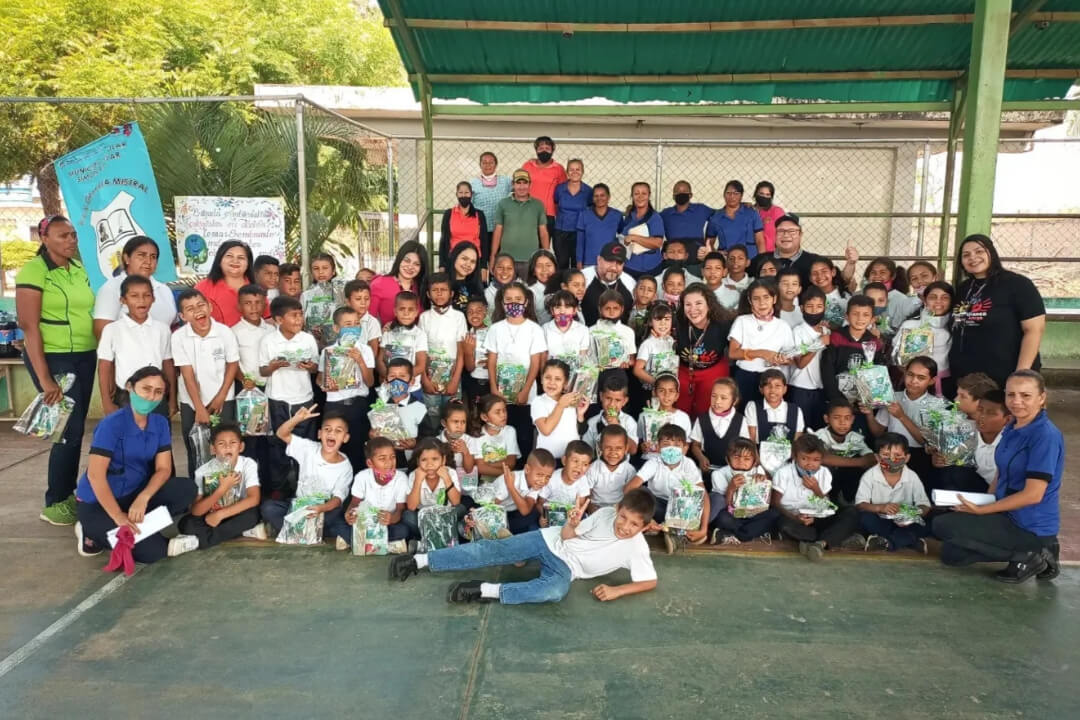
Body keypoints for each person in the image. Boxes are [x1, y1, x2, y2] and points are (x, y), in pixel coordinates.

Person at [388, 489, 658, 606]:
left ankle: (483, 590)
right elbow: (566, 536)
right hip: (549, 540)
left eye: (634, 524)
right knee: (492, 550)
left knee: (555, 591)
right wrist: (572, 523)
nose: (625, 526)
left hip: (567, 568)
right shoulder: (605, 515)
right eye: (623, 516)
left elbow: (649, 581)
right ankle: (419, 561)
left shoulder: (636, 547)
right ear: (617, 509)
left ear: (644, 527)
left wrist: (617, 590)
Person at [933, 370, 1062, 583]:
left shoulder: (1045, 436)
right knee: (951, 555)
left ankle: (1032, 554)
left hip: (1029, 524)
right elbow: (1001, 474)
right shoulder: (1013, 427)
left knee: (943, 525)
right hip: (1005, 513)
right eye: (1011, 395)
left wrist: (983, 510)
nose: (1017, 401)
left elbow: (1033, 495)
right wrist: (984, 502)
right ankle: (1024, 553)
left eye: (1025, 395)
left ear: (1042, 398)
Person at [16, 215, 98, 525]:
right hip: (54, 358)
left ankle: (69, 495)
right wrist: (46, 377)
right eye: (63, 236)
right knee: (68, 430)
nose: (71, 240)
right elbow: (29, 327)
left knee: (75, 430)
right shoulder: (34, 272)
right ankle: (56, 501)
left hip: (84, 356)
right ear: (44, 238)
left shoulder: (78, 269)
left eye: (73, 235)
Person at [72, 366, 196, 561]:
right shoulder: (111, 425)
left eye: (158, 392)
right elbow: (96, 476)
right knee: (153, 552)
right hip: (99, 503)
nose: (151, 397)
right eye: (146, 389)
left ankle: (135, 527)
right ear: (130, 387)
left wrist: (144, 497)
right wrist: (118, 517)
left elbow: (164, 469)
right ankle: (90, 531)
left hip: (134, 494)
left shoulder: (160, 423)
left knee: (187, 488)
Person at [949, 234, 1046, 389]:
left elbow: (1034, 330)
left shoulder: (1018, 284)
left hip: (1004, 376)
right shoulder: (963, 288)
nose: (973, 257)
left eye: (979, 251)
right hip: (968, 379)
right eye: (966, 255)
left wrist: (1021, 374)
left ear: (991, 253)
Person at [261, 405, 354, 544]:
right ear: (319, 434)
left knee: (338, 520)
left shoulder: (345, 466)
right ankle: (310, 533)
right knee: (269, 508)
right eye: (327, 429)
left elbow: (337, 499)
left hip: (324, 511)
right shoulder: (309, 449)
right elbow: (282, 434)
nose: (331, 434)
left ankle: (296, 532)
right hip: (300, 507)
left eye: (338, 431)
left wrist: (320, 509)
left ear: (345, 438)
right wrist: (296, 419)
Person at [172, 289, 241, 475]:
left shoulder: (224, 332)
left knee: (224, 447)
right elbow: (187, 374)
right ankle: (198, 493)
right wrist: (199, 407)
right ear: (183, 316)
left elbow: (232, 365)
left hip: (223, 400)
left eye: (201, 305)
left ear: (209, 307)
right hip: (191, 403)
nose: (197, 311)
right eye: (190, 309)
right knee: (195, 448)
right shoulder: (178, 337)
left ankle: (226, 491)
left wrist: (221, 397)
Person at [171, 422, 263, 555]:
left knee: (253, 514)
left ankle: (198, 541)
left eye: (233, 443)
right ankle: (243, 531)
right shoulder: (203, 471)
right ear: (213, 449)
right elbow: (196, 511)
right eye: (221, 444)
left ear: (241, 447)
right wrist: (222, 489)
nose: (227, 447)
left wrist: (221, 514)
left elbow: (254, 499)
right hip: (211, 515)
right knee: (185, 523)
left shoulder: (248, 464)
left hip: (236, 512)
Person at [258, 296, 319, 494]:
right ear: (278, 320)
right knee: (277, 445)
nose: (299, 320)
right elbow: (262, 371)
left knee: (306, 445)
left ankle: (304, 488)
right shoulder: (268, 341)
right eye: (293, 316)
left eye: (300, 315)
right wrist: (273, 366)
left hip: (304, 398)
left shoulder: (308, 339)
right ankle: (279, 490)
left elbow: (315, 368)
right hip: (278, 399)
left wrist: (310, 367)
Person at [771, 434, 860, 561]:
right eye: (804, 459)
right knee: (783, 524)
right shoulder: (783, 473)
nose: (810, 464)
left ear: (821, 459)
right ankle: (823, 539)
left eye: (815, 460)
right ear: (795, 457)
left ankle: (819, 544)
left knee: (852, 513)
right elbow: (775, 503)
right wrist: (796, 518)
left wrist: (816, 489)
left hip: (817, 518)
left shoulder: (824, 473)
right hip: (792, 517)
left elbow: (827, 504)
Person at [97, 275, 176, 417]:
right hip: (126, 397)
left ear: (153, 298)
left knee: (158, 436)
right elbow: (104, 366)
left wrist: (172, 400)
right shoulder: (113, 329)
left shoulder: (162, 329)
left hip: (157, 396)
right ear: (123, 300)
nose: (141, 300)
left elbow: (168, 364)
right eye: (134, 296)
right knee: (128, 437)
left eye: (147, 295)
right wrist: (106, 402)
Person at [485, 281, 547, 461]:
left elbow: (535, 362)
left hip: (525, 394)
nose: (514, 304)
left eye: (518, 299)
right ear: (503, 303)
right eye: (509, 300)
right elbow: (492, 360)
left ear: (526, 302)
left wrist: (526, 390)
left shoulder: (534, 329)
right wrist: (494, 388)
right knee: (502, 432)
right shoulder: (496, 329)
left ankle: (522, 468)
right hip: (502, 392)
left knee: (524, 435)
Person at [625, 423, 712, 552]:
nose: (671, 449)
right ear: (658, 447)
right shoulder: (653, 463)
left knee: (715, 500)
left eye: (677, 445)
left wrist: (704, 529)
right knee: (642, 493)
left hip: (682, 510)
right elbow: (629, 488)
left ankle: (672, 530)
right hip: (658, 508)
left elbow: (702, 495)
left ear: (685, 448)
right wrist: (646, 518)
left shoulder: (688, 464)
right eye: (666, 444)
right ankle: (673, 531)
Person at [855, 433, 931, 553]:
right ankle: (908, 541)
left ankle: (886, 543)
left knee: (925, 524)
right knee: (865, 518)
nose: (892, 460)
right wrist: (881, 507)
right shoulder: (869, 475)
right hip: (880, 520)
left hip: (905, 523)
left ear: (906, 458)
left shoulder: (912, 476)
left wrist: (910, 514)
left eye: (898, 455)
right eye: (885, 455)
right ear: (878, 458)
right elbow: (860, 504)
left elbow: (925, 506)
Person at [92, 235, 178, 336]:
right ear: (126, 258)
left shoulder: (164, 290)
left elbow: (173, 326)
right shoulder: (112, 288)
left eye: (153, 257)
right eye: (141, 255)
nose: (148, 261)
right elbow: (102, 331)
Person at [727, 279, 793, 408]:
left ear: (774, 299)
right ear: (750, 300)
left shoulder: (783, 326)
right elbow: (733, 353)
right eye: (756, 298)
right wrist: (762, 353)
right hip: (745, 377)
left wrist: (781, 359)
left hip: (772, 381)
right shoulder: (742, 321)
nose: (762, 303)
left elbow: (790, 359)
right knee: (744, 415)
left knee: (767, 417)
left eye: (766, 297)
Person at [344, 436, 413, 550]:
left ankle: (356, 541)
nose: (389, 462)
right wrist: (350, 514)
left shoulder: (401, 478)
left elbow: (400, 509)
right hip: (366, 523)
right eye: (382, 458)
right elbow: (355, 502)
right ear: (370, 463)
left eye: (392, 457)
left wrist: (391, 519)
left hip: (388, 524)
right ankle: (387, 543)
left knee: (403, 530)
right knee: (340, 523)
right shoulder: (362, 477)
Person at [676, 283, 733, 417]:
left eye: (698, 303)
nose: (693, 309)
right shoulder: (676, 323)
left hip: (713, 370)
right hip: (684, 371)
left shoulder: (723, 324)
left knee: (707, 410)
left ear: (709, 304)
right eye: (688, 305)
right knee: (679, 410)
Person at [709, 438, 779, 544]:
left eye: (747, 459)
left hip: (754, 515)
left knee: (774, 514)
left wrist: (763, 484)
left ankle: (732, 534)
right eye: (736, 457)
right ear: (728, 459)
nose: (741, 462)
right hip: (734, 516)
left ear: (754, 461)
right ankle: (748, 534)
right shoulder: (718, 474)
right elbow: (725, 505)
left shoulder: (759, 471)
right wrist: (731, 488)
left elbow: (767, 502)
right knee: (722, 518)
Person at [813, 398, 876, 505]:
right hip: (823, 484)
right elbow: (823, 458)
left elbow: (871, 458)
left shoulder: (855, 438)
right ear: (826, 419)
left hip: (846, 481)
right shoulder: (819, 436)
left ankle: (850, 502)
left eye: (847, 418)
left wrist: (865, 461)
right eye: (837, 418)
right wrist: (860, 462)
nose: (842, 423)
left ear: (852, 420)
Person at [491, 169, 550, 274]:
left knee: (529, 290)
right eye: (518, 183)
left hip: (530, 259)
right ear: (513, 184)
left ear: (530, 184)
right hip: (507, 259)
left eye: (525, 183)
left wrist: (546, 256)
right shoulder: (503, 204)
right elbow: (498, 231)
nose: (522, 187)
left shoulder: (538, 205)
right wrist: (493, 255)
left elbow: (543, 233)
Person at [689, 377, 749, 472]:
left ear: (735, 401)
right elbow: (695, 445)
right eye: (714, 396)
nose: (717, 401)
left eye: (723, 398)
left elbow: (745, 447)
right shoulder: (702, 419)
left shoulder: (741, 420)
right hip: (707, 470)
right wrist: (701, 458)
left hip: (731, 471)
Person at [748, 214, 821, 289]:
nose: (786, 235)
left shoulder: (814, 262)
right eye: (781, 231)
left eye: (792, 231)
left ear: (800, 234)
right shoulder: (760, 260)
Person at [193, 240, 255, 327]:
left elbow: (267, 319)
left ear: (248, 263)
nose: (235, 260)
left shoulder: (256, 289)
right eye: (229, 256)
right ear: (219, 260)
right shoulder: (203, 287)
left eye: (241, 257)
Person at [369, 241, 429, 327]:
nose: (410, 267)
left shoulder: (422, 287)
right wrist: (380, 334)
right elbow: (369, 320)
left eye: (416, 264)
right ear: (399, 259)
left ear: (421, 268)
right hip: (388, 338)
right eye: (407, 261)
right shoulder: (379, 283)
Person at [521, 135, 567, 239]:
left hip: (548, 214)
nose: (544, 151)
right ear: (536, 150)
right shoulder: (527, 166)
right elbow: (520, 186)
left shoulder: (558, 169)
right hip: (528, 211)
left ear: (552, 150)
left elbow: (563, 192)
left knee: (543, 247)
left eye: (547, 148)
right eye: (541, 148)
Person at [439, 181, 490, 274]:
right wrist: (442, 265)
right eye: (460, 193)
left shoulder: (479, 215)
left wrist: (484, 266)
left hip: (474, 260)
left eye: (466, 193)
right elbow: (444, 241)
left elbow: (484, 241)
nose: (463, 196)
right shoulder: (449, 214)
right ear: (456, 195)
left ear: (471, 194)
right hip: (453, 260)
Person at [617, 182, 665, 278]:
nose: (640, 197)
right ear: (632, 196)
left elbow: (657, 243)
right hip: (629, 266)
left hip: (651, 267)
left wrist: (634, 237)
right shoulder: (629, 216)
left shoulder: (655, 217)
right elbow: (623, 238)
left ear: (649, 195)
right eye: (636, 193)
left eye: (644, 193)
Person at [706, 180, 764, 257]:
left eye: (736, 193)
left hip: (750, 260)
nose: (732, 196)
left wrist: (762, 260)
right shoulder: (715, 218)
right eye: (728, 193)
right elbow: (709, 243)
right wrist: (716, 253)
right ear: (724, 195)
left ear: (741, 196)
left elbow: (760, 241)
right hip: (727, 260)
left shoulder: (752, 213)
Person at [581, 242, 634, 325]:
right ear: (599, 260)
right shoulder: (583, 278)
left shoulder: (630, 283)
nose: (613, 267)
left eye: (619, 263)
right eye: (610, 261)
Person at [659, 180, 713, 262]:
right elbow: (651, 220)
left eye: (684, 191)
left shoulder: (701, 209)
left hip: (697, 255)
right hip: (673, 256)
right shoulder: (665, 214)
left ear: (690, 195)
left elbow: (720, 216)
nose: (681, 194)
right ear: (673, 196)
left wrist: (711, 241)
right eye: (677, 192)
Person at [552, 159, 591, 270]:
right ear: (567, 172)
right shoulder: (560, 189)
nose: (574, 172)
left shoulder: (588, 191)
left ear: (582, 171)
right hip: (561, 231)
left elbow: (591, 210)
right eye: (571, 169)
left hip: (579, 232)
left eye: (578, 169)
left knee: (576, 264)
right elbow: (555, 205)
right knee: (561, 263)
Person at [576, 183, 621, 269]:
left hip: (610, 261)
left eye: (602, 195)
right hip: (589, 262)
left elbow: (622, 238)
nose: (599, 198)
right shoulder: (584, 215)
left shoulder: (617, 215)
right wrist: (579, 261)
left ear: (608, 197)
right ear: (592, 198)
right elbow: (580, 241)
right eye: (596, 196)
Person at [469, 151, 512, 237]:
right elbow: (469, 205)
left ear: (496, 165)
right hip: (480, 228)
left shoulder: (506, 181)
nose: (487, 165)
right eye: (484, 162)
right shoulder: (473, 183)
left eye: (491, 162)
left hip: (501, 228)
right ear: (480, 165)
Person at [444, 243, 485, 314]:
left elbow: (485, 319)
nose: (468, 264)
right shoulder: (441, 284)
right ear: (454, 257)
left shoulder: (477, 288)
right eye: (464, 259)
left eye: (473, 261)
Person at [752, 181, 785, 253]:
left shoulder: (776, 211)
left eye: (767, 195)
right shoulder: (749, 211)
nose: (764, 197)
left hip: (770, 253)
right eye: (761, 194)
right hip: (751, 253)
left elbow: (783, 234)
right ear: (755, 194)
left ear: (771, 197)